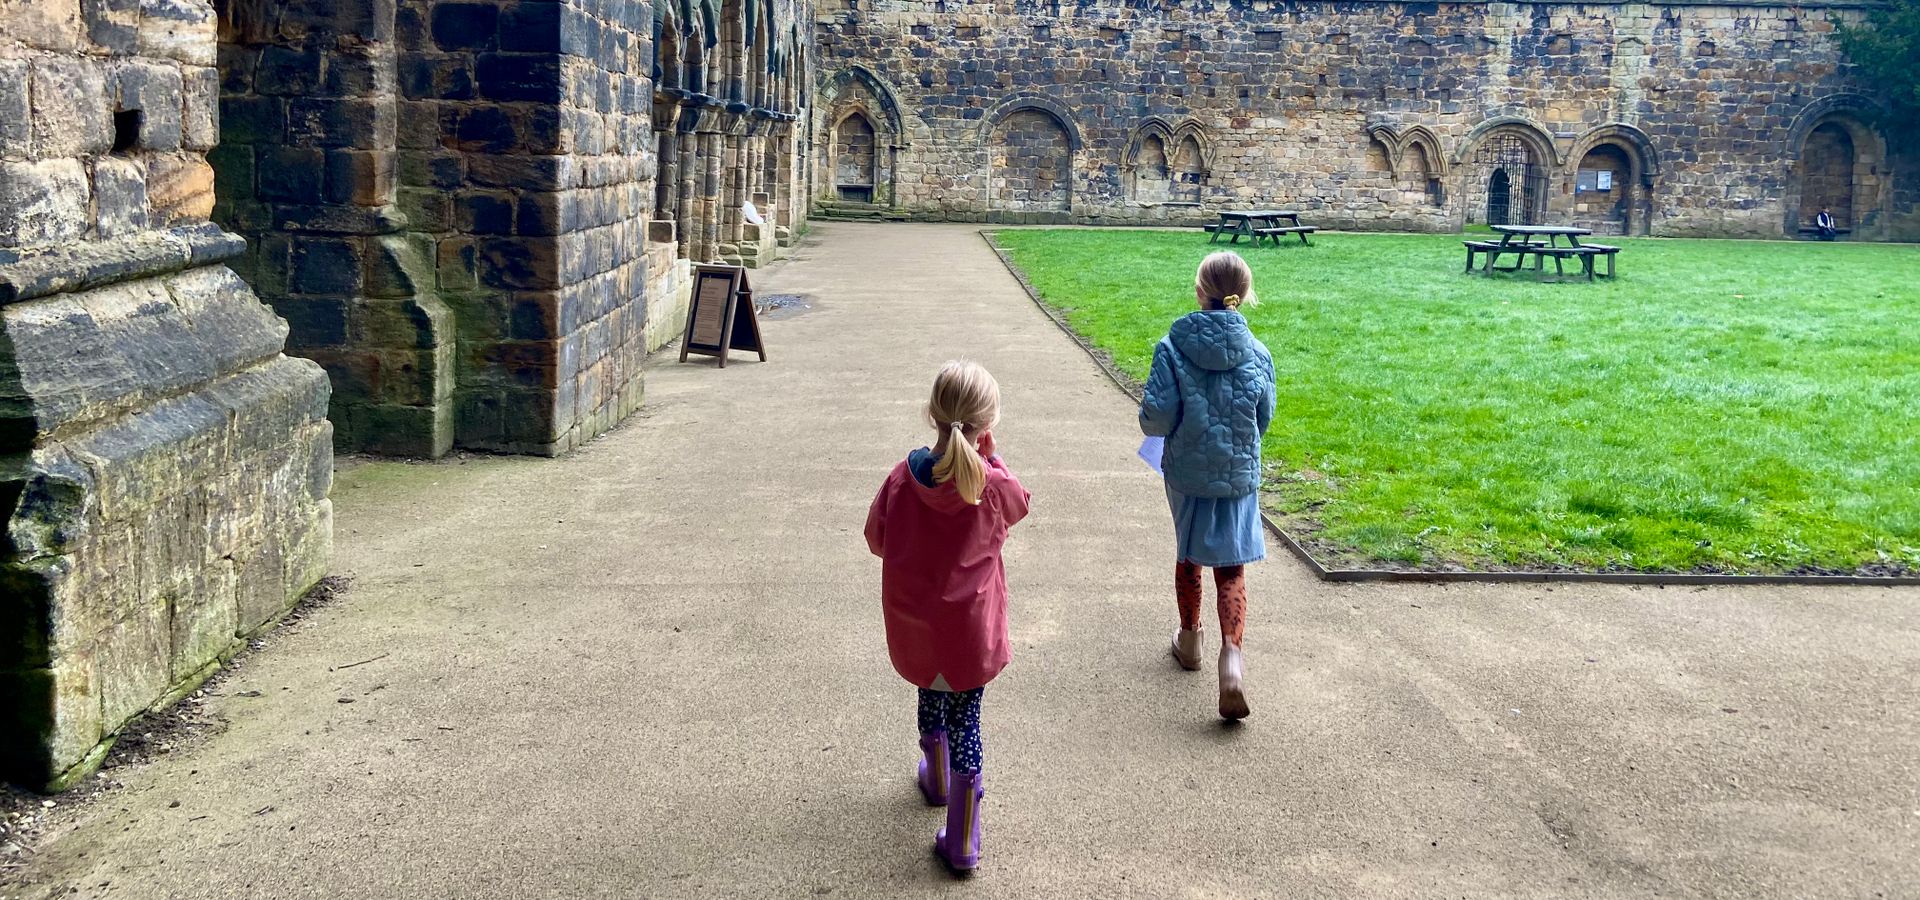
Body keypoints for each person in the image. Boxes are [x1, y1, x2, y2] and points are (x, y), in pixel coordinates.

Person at [864, 361, 1031, 875]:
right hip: (969, 632)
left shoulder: (903, 476)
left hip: (918, 624)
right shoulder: (990, 485)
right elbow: (1022, 504)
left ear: (931, 414)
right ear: (987, 426)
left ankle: (934, 779)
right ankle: (961, 836)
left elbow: (876, 538)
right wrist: (993, 456)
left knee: (929, 694)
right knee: (967, 720)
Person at [1139, 251, 1277, 721]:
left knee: (1189, 554)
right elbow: (1264, 416)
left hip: (1187, 474)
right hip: (1238, 474)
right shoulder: (1258, 352)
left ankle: (1190, 638)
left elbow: (1156, 418)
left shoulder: (1172, 348)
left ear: (1200, 292)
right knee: (1232, 567)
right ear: (1245, 293)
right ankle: (1232, 658)